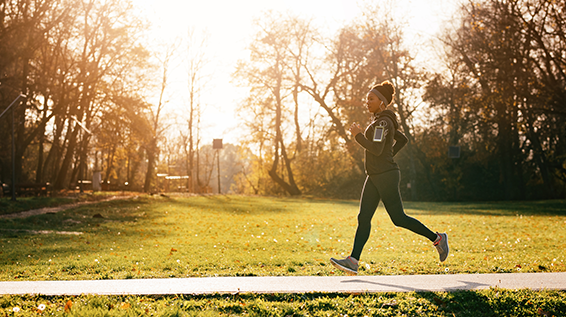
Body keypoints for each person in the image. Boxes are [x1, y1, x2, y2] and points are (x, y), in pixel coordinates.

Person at [330, 81, 449, 275]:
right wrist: (389, 154)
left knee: (398, 218)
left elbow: (376, 148)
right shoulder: (382, 121)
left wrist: (358, 135)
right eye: (367, 98)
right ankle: (353, 261)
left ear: (382, 102)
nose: (367, 102)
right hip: (376, 174)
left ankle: (438, 239)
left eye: (371, 98)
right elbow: (402, 139)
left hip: (385, 175)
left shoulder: (383, 122)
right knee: (364, 217)